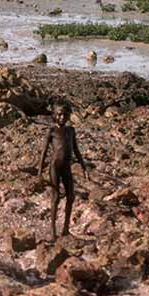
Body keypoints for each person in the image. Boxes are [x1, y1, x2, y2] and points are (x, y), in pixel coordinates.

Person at [38, 101, 88, 240]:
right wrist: (39, 173)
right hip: (55, 167)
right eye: (59, 115)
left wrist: (84, 167)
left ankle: (66, 228)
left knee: (70, 197)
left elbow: (76, 150)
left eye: (65, 115)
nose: (62, 117)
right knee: (55, 198)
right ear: (54, 115)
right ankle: (52, 231)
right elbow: (43, 153)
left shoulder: (71, 131)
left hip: (67, 167)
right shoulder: (51, 131)